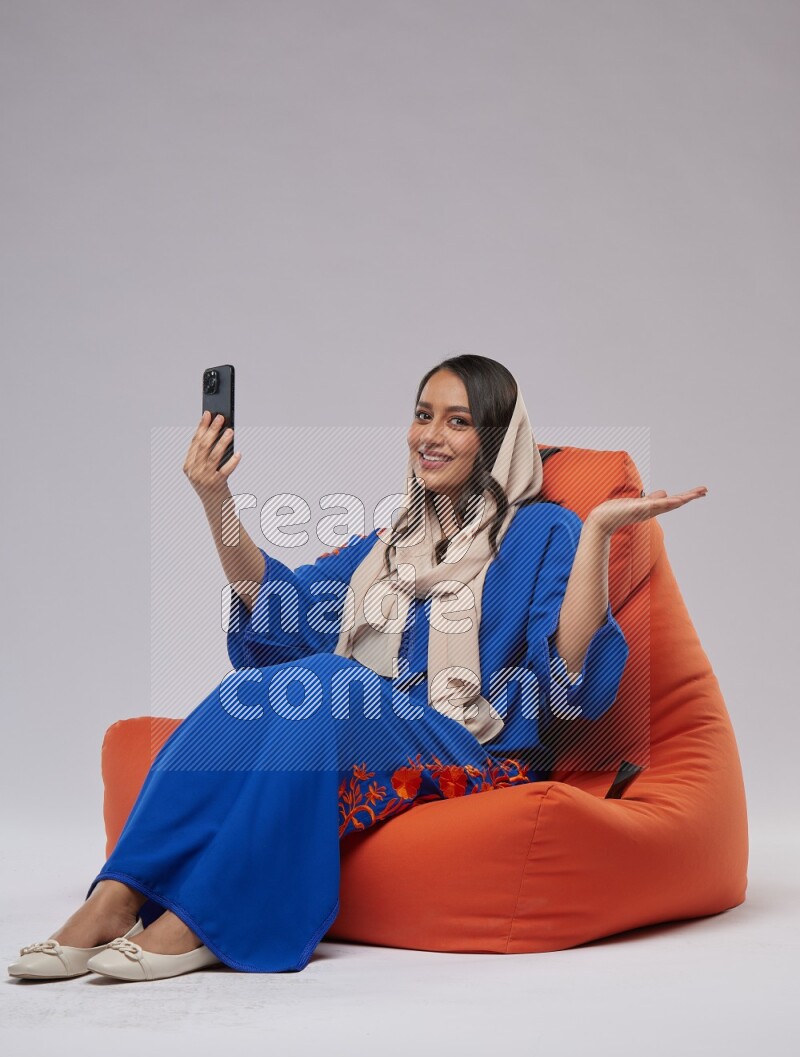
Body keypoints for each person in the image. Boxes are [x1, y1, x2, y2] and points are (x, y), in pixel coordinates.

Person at [8, 354, 707, 983]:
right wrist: (217, 503)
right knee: (250, 689)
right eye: (422, 414)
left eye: (457, 421)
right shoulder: (393, 541)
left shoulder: (541, 530)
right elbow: (282, 615)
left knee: (333, 684)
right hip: (376, 721)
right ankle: (116, 896)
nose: (430, 434)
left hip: (479, 752)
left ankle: (206, 919)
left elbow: (571, 679)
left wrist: (595, 533)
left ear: (493, 439)